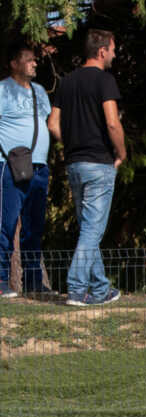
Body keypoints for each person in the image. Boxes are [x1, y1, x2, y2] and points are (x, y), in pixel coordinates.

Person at [48, 28, 125, 306]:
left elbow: (52, 124)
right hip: (99, 163)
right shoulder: (105, 81)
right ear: (102, 51)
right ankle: (78, 289)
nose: (115, 54)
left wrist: (72, 143)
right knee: (93, 230)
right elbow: (113, 122)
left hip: (74, 164)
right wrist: (122, 152)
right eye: (114, 49)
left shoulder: (67, 82)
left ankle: (101, 288)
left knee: (87, 228)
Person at [0, 44, 51, 297]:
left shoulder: (40, 91)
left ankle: (33, 283)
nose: (34, 64)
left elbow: (48, 122)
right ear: (14, 63)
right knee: (6, 223)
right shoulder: (2, 90)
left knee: (35, 226)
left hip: (40, 166)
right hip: (9, 166)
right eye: (28, 60)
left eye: (35, 60)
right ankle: (0, 281)